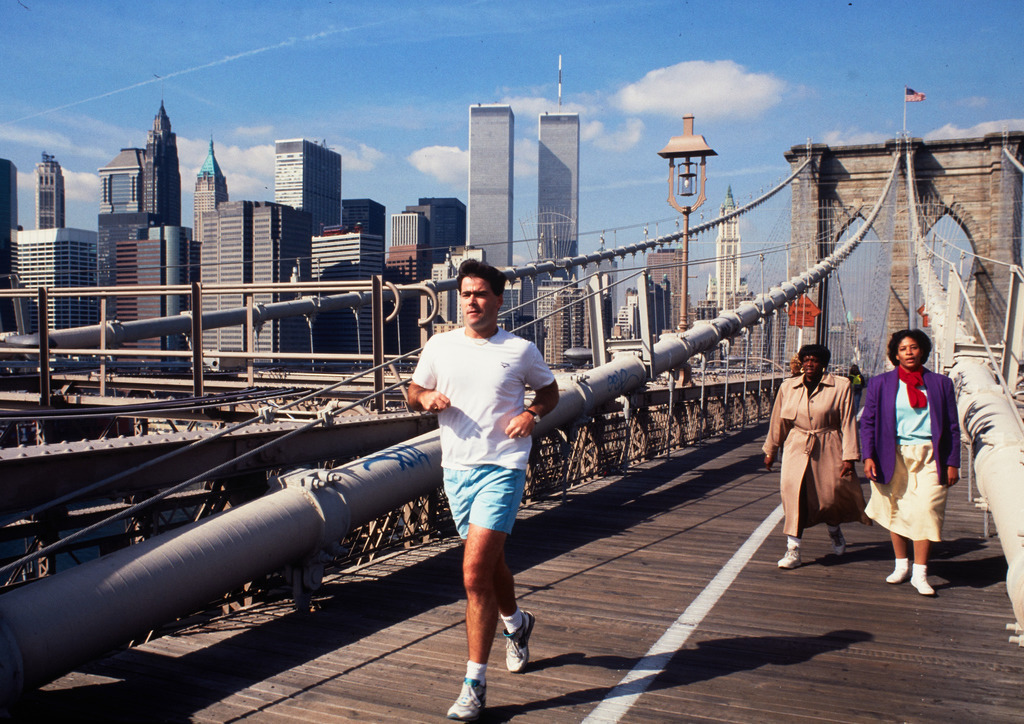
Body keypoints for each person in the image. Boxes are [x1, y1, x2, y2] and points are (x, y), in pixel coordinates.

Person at [409, 259, 560, 721]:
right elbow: (412, 391)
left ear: (498, 298)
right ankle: (517, 624)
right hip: (456, 469)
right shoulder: (440, 345)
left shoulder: (519, 350)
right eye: (465, 293)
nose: (471, 301)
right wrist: (426, 399)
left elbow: (550, 393)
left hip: (503, 467)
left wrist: (531, 415)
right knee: (490, 567)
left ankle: (474, 684)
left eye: (479, 294)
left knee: (473, 572)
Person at [860, 329, 960, 596]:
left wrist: (953, 462)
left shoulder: (940, 383)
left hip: (930, 454)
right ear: (895, 354)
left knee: (926, 509)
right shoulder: (881, 383)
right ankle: (901, 564)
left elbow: (952, 427)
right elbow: (868, 422)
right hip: (892, 454)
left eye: (914, 347)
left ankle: (920, 572)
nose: (909, 353)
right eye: (903, 349)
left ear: (923, 351)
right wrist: (867, 455)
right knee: (897, 509)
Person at [763, 344, 867, 569]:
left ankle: (834, 529)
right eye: (806, 359)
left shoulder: (841, 386)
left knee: (828, 497)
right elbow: (778, 422)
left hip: (829, 443)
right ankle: (793, 550)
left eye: (815, 360)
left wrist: (849, 456)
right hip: (796, 445)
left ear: (824, 364)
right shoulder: (788, 387)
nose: (809, 364)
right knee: (794, 496)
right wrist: (771, 450)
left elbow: (848, 422)